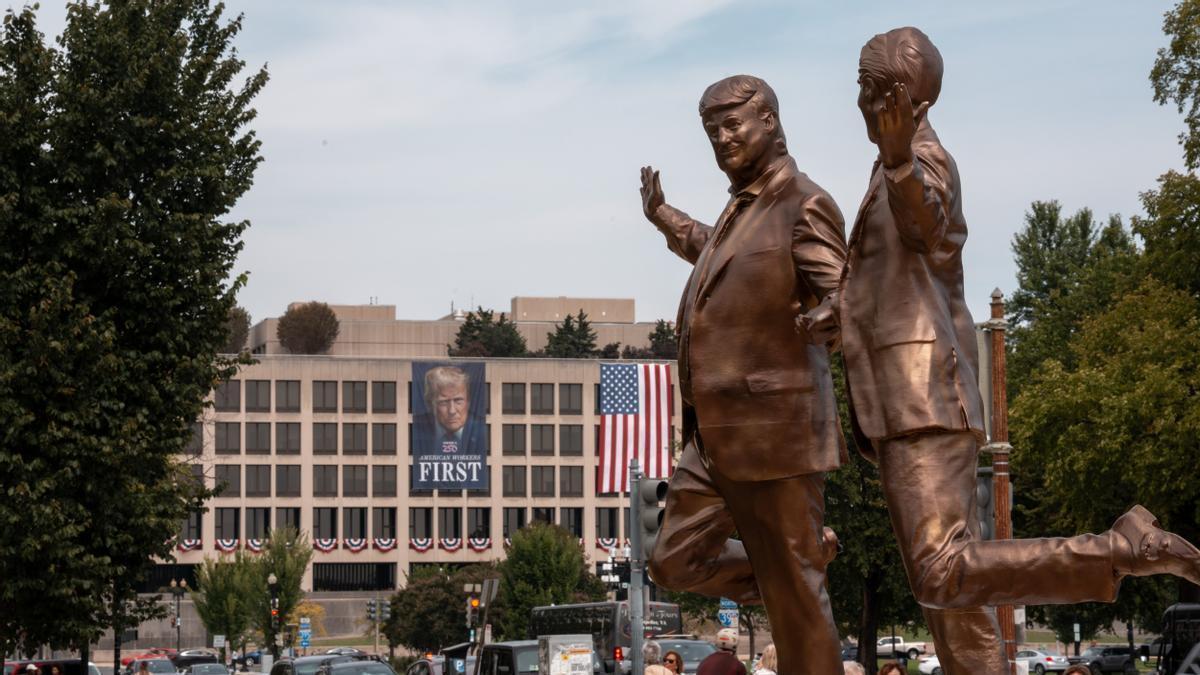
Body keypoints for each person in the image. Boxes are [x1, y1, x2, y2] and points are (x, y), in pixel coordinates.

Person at [834, 25, 1200, 675]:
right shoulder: (888, 166)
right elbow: (889, 283)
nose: (861, 103)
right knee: (954, 598)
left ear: (907, 101)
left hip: (922, 395)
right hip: (897, 401)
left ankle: (1119, 547)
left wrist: (898, 161)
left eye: (871, 90)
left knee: (942, 574)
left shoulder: (923, 161)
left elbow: (926, 224)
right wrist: (829, 317)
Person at [640, 74, 848, 675]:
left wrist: (830, 315)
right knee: (672, 559)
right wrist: (663, 216)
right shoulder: (741, 210)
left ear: (770, 122)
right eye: (712, 130)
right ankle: (792, 565)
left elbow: (846, 294)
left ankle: (796, 570)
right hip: (714, 438)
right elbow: (710, 248)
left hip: (778, 433)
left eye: (733, 124)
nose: (722, 138)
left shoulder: (803, 202)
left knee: (800, 600)